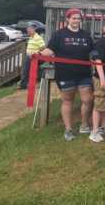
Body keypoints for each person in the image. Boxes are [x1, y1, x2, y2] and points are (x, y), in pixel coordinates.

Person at [40, 9, 93, 141]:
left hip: (84, 73)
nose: (76, 21)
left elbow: (93, 51)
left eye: (78, 18)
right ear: (68, 19)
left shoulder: (86, 35)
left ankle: (84, 124)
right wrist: (38, 55)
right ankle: (68, 129)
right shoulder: (59, 34)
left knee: (87, 100)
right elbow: (50, 50)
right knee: (68, 101)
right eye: (73, 18)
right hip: (65, 73)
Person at [18, 23, 45, 89]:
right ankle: (25, 83)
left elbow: (43, 47)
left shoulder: (38, 38)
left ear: (33, 30)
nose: (28, 32)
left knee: (25, 69)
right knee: (27, 69)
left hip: (34, 57)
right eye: (27, 31)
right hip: (30, 56)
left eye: (29, 31)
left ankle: (23, 84)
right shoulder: (31, 37)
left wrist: (37, 53)